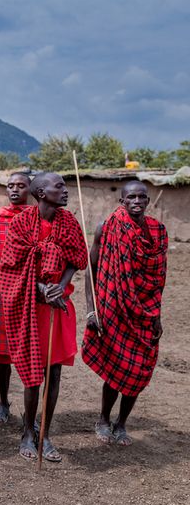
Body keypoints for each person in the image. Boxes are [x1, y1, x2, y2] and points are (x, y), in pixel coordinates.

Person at [0, 173, 87, 463]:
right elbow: (10, 267)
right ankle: (27, 431)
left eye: (64, 186)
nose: (65, 191)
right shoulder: (21, 224)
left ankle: (45, 433)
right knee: (32, 376)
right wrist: (39, 288)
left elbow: (77, 258)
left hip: (58, 306)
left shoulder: (69, 222)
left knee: (54, 373)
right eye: (58, 187)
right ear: (40, 192)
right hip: (30, 307)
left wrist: (60, 287)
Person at [82, 181, 168, 446]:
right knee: (117, 368)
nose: (137, 201)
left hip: (145, 312)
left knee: (140, 369)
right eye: (131, 197)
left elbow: (158, 279)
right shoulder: (107, 227)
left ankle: (122, 423)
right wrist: (90, 310)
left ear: (148, 200)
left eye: (142, 196)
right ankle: (104, 419)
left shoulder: (158, 231)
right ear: (122, 201)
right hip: (114, 309)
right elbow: (91, 269)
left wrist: (156, 316)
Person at [0, 173, 31, 424]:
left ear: (31, 189)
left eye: (21, 186)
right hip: (1, 294)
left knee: (29, 356)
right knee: (2, 356)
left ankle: (31, 409)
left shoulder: (37, 219)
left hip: (29, 296)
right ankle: (3, 402)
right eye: (11, 186)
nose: (15, 190)